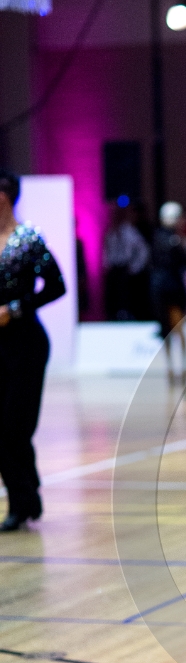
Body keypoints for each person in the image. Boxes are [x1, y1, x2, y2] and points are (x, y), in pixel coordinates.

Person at [0, 169, 66, 531]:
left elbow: (56, 286)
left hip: (25, 343)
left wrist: (15, 309)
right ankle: (26, 495)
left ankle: (22, 500)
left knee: (14, 426)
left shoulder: (28, 240)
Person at [151, 202, 186, 383]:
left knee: (167, 330)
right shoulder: (173, 240)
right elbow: (184, 261)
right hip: (171, 290)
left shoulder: (159, 237)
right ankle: (180, 368)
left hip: (161, 289)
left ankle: (174, 369)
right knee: (175, 328)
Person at [103, 204, 150, 321]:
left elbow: (143, 249)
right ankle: (114, 315)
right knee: (113, 295)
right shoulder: (111, 231)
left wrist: (135, 267)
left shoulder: (130, 231)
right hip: (114, 267)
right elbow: (106, 249)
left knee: (126, 293)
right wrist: (106, 264)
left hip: (126, 267)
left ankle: (126, 314)